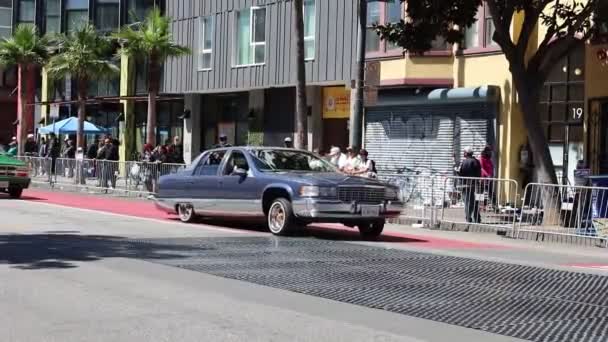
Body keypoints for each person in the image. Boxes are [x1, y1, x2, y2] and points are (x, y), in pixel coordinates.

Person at [457, 146, 482, 224]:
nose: (463, 153)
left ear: (466, 153)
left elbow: (461, 174)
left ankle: (468, 218)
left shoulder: (465, 162)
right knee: (475, 202)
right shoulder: (476, 161)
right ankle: (477, 218)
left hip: (466, 186)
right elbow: (479, 173)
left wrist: (457, 172)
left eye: (464, 152)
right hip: (475, 185)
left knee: (468, 202)